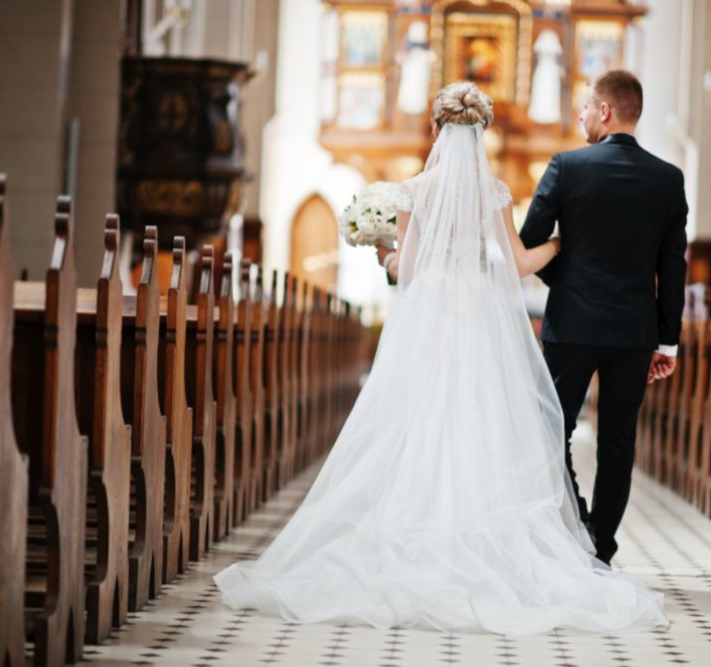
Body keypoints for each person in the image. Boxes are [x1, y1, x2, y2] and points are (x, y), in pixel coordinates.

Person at [214, 81, 668, 636]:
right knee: (480, 421)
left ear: (435, 130)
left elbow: (404, 269)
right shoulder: (495, 191)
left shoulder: (413, 191)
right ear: (481, 133)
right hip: (479, 316)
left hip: (430, 317)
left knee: (421, 421)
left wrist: (383, 251)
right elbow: (519, 264)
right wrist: (563, 246)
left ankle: (414, 533)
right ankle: (509, 545)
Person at [519, 69, 689, 565]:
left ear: (606, 111)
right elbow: (671, 266)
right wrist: (667, 341)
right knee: (618, 438)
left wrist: (568, 281)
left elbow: (530, 242)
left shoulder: (567, 167)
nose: (581, 116)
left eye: (586, 108)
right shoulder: (667, 179)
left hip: (572, 324)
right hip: (635, 333)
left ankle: (574, 523)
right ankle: (601, 545)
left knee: (553, 428)